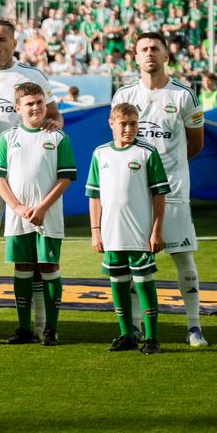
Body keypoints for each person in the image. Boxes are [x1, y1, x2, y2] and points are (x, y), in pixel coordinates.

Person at [0, 19, 61, 335]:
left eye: (1, 39)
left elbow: (55, 115)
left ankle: (41, 323)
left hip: (26, 174)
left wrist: (55, 124)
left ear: (13, 43)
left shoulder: (31, 77)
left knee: (32, 248)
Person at [112, 32, 208, 347]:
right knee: (135, 261)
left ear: (166, 56)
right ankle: (137, 326)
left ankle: (194, 327)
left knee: (182, 257)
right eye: (143, 49)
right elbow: (119, 144)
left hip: (174, 190)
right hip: (134, 194)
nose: (149, 53)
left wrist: (168, 170)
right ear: (135, 57)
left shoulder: (184, 95)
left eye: (155, 48)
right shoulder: (124, 95)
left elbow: (195, 144)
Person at [0, 82, 76, 346]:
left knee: (49, 267)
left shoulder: (58, 137)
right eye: (29, 103)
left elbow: (65, 177)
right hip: (18, 217)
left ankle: (50, 328)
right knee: (23, 267)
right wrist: (16, 207)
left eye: (39, 102)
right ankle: (24, 328)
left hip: (47, 215)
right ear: (18, 108)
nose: (36, 107)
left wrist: (42, 207)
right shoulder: (9, 137)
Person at [87, 103, 168, 355]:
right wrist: (95, 230)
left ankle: (152, 337)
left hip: (140, 234)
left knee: (144, 283)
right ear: (111, 124)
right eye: (123, 123)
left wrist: (156, 230)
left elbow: (159, 195)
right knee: (118, 284)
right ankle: (126, 334)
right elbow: (94, 195)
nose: (129, 129)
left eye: (134, 124)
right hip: (111, 234)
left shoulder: (147, 152)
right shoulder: (100, 153)